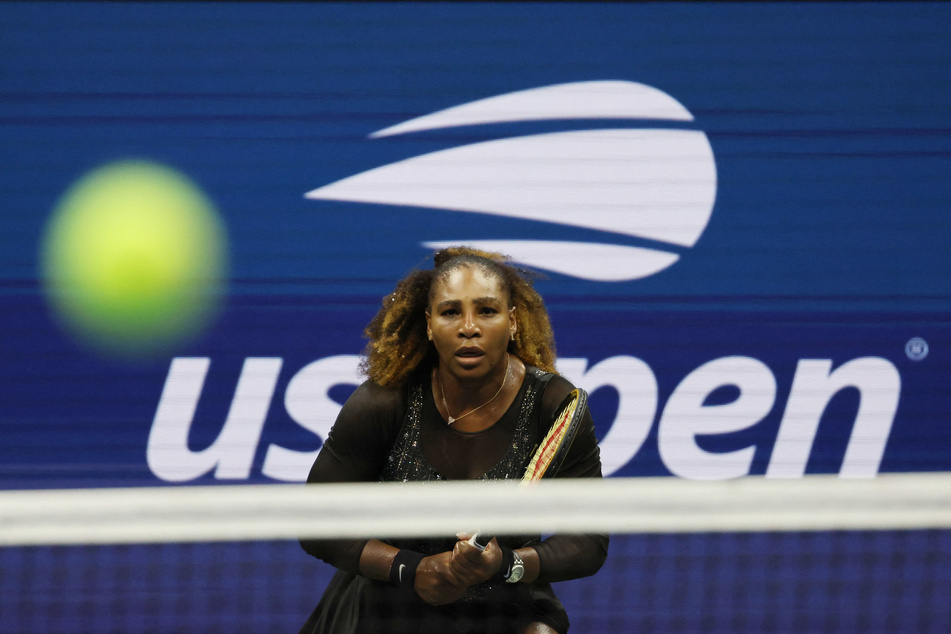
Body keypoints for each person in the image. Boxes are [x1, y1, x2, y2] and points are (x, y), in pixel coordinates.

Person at [299, 246, 608, 633]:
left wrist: (506, 563)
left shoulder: (553, 406)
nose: (468, 327)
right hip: (388, 599)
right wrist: (411, 569)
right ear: (429, 325)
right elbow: (313, 518)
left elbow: (589, 539)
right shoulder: (384, 401)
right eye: (450, 312)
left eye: (487, 311)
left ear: (512, 322)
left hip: (505, 599)